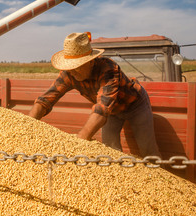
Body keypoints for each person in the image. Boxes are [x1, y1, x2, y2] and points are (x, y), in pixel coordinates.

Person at [28, 32, 161, 157]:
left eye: (77, 66)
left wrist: (80, 140)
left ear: (90, 62)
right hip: (112, 111)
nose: (72, 71)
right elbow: (45, 100)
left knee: (147, 149)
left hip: (134, 105)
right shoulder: (69, 73)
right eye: (69, 66)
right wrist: (27, 125)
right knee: (109, 149)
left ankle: (160, 178)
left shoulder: (108, 69)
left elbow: (102, 108)